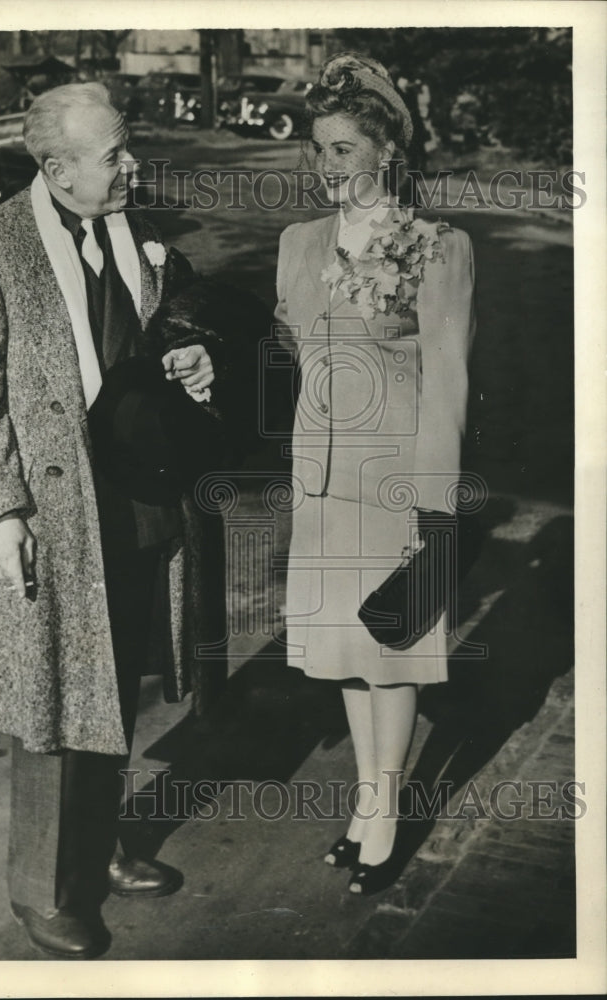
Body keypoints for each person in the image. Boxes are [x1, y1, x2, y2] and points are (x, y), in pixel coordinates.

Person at [0, 82, 226, 958]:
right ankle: (42, 888)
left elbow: (149, 344)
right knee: (51, 701)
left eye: (127, 147)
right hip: (46, 514)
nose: (131, 164)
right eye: (113, 155)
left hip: (135, 501)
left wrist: (190, 359)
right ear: (56, 169)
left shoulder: (140, 237)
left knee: (115, 680)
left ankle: (98, 849)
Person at [274, 53, 476, 895]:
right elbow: (290, 340)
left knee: (389, 653)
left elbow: (448, 378)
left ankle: (386, 812)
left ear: (386, 151)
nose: (330, 167)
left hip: (394, 483)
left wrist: (434, 504)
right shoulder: (297, 241)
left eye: (347, 149)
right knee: (345, 656)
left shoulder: (439, 247)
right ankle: (365, 802)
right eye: (321, 149)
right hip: (320, 483)